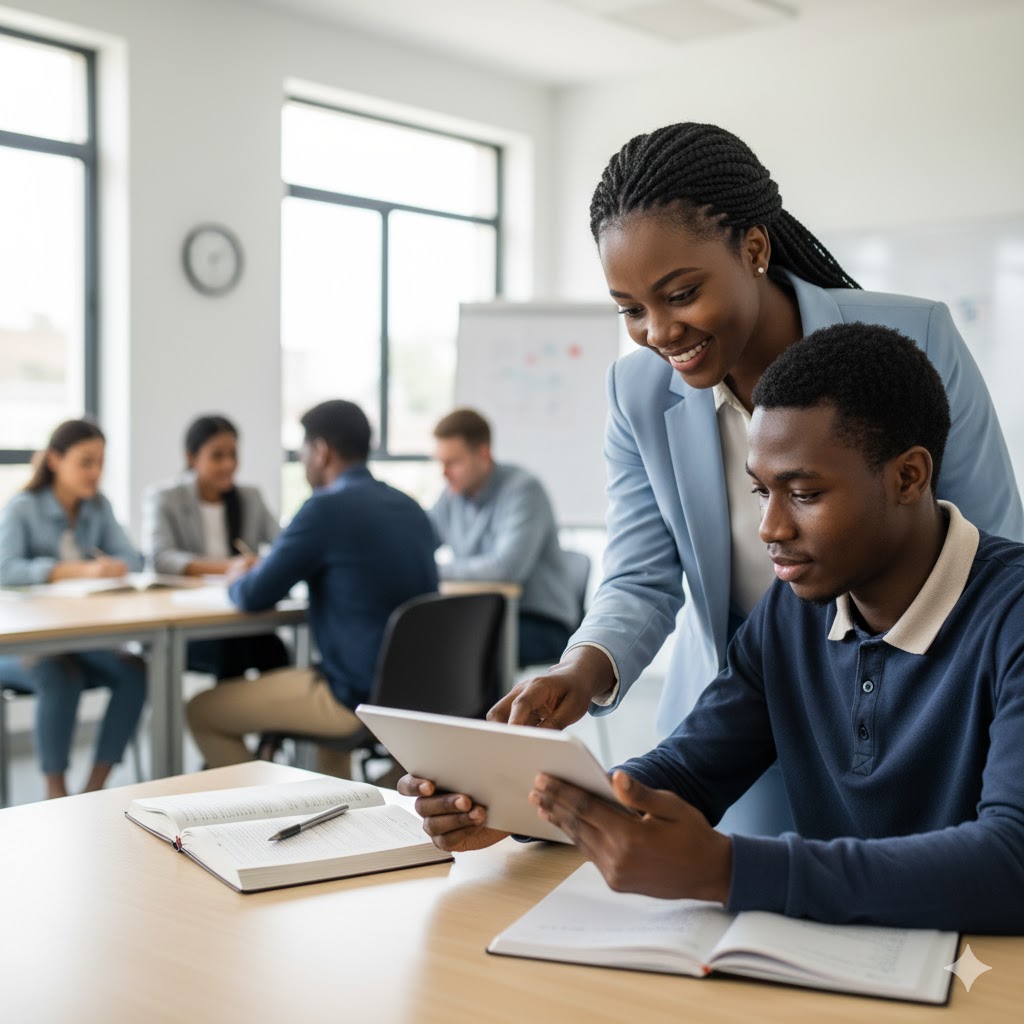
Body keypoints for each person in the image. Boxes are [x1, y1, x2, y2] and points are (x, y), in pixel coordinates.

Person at [489, 122, 1023, 836]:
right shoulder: (639, 392)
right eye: (630, 310)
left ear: (755, 249)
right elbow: (642, 574)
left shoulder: (910, 342)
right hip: (739, 712)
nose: (658, 331)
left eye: (680, 293)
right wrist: (580, 672)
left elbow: (987, 549)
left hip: (918, 716)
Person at [403, 323, 1024, 933]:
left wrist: (728, 870)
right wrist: (516, 803)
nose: (770, 528)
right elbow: (691, 768)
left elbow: (1009, 863)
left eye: (803, 493)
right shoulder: (793, 608)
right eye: (760, 492)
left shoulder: (1011, 614)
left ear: (909, 477)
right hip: (848, 963)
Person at [186, 399, 438, 775]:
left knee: (202, 710)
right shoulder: (411, 507)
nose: (302, 458)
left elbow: (254, 595)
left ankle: (264, 812)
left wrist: (237, 577)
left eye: (303, 448)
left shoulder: (323, 509)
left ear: (320, 452)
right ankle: (338, 820)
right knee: (325, 734)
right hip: (419, 695)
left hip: (353, 698)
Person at [0, 419, 146, 798]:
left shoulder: (98, 508)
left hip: (81, 636)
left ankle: (94, 789)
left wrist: (118, 566)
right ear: (54, 460)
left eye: (100, 463)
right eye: (86, 462)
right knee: (59, 672)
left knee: (134, 671)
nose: (95, 473)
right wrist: (73, 570)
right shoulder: (22, 508)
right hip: (27, 644)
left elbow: (132, 557)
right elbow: (5, 569)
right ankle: (56, 793)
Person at [142, 414, 289, 680]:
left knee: (275, 650)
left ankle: (271, 720)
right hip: (190, 621)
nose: (228, 464)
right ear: (191, 457)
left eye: (233, 455)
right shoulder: (165, 498)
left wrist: (262, 562)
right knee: (230, 653)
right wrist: (230, 567)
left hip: (239, 615)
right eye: (217, 456)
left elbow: (284, 545)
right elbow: (161, 558)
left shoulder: (250, 497)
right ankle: (224, 720)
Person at [430, 408, 578, 667]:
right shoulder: (452, 495)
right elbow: (422, 541)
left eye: (453, 462)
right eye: (440, 463)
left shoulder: (523, 490)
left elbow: (505, 568)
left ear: (483, 454)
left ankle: (484, 710)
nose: (444, 473)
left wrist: (435, 570)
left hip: (540, 622)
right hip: (485, 615)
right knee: (427, 633)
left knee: (460, 645)